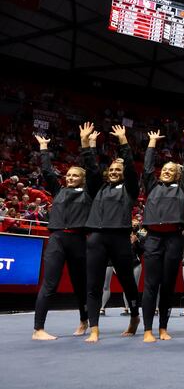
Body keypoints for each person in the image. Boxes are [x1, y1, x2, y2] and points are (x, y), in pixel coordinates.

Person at [32, 124, 98, 340]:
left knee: (81, 286)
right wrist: (43, 149)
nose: (69, 178)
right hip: (57, 239)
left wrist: (85, 143)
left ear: (83, 179)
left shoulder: (89, 192)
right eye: (68, 175)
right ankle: (38, 329)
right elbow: (47, 171)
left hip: (79, 240)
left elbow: (92, 168)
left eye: (74, 176)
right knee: (49, 283)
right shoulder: (58, 191)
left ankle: (83, 320)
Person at [84, 124, 143, 342]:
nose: (115, 172)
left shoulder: (130, 189)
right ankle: (94, 328)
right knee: (94, 283)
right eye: (112, 170)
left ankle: (135, 316)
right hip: (97, 237)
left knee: (128, 281)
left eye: (119, 170)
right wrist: (88, 144)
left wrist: (124, 142)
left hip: (119, 238)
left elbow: (129, 168)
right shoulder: (98, 188)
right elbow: (91, 168)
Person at [140, 129, 184, 343]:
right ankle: (147, 329)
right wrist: (151, 143)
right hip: (153, 239)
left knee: (168, 284)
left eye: (171, 169)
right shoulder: (152, 186)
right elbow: (146, 169)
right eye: (164, 168)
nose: (166, 171)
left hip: (173, 239)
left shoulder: (182, 189)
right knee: (151, 284)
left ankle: (163, 327)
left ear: (177, 175)